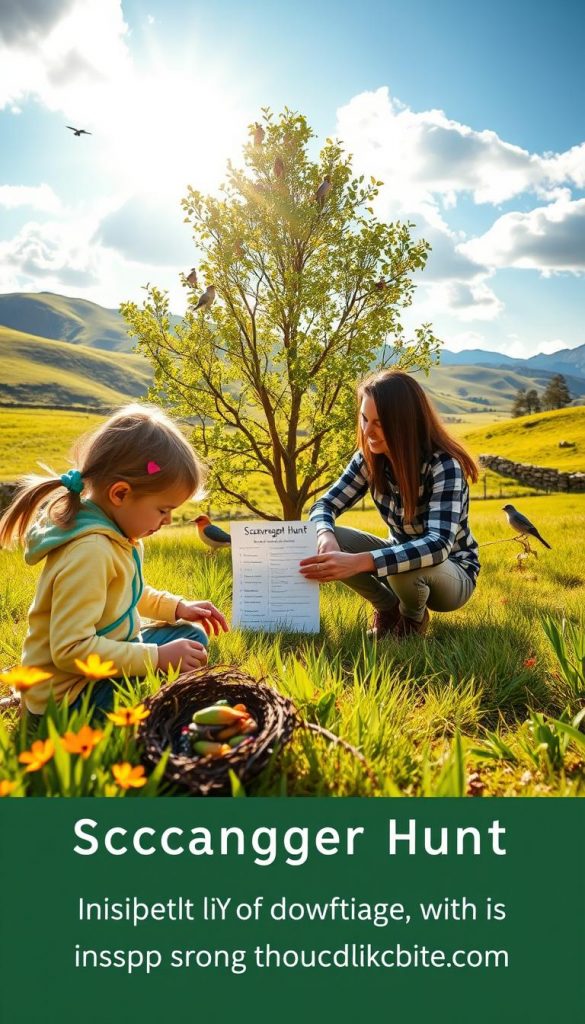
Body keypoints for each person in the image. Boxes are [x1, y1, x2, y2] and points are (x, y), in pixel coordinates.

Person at [0, 404, 229, 716]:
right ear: (120, 494)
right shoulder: (90, 551)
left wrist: (177, 607)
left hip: (106, 657)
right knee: (148, 701)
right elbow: (71, 650)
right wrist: (157, 659)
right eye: (163, 510)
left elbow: (128, 593)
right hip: (67, 694)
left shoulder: (119, 535)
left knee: (191, 638)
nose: (167, 520)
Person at [300, 370, 480, 639]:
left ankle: (412, 620)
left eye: (379, 423)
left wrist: (358, 562)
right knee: (322, 535)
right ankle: (389, 607)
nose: (368, 431)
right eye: (364, 419)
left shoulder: (443, 465)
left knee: (403, 568)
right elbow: (324, 505)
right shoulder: (368, 459)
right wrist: (325, 537)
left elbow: (438, 545)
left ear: (406, 423)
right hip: (398, 561)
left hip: (452, 572)